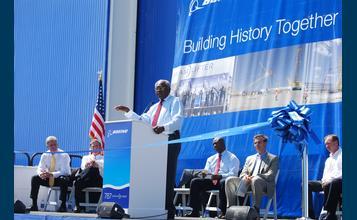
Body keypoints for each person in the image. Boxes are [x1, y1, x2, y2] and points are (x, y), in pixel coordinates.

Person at [115, 79, 183, 219]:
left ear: (169, 89)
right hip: (156, 143)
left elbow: (178, 120)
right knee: (156, 176)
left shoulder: (174, 101)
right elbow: (143, 121)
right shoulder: (153, 107)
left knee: (167, 176)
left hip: (170, 140)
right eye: (157, 88)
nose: (159, 90)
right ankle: (156, 208)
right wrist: (129, 112)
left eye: (162, 88)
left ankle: (169, 210)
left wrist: (164, 127)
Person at [185, 137, 240, 218]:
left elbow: (233, 174)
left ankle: (224, 212)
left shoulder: (232, 158)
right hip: (212, 181)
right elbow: (207, 171)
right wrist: (204, 174)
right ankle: (195, 210)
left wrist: (220, 176)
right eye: (213, 144)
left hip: (224, 181)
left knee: (223, 182)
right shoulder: (211, 159)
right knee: (195, 181)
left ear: (222, 144)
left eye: (216, 143)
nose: (214, 145)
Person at [225, 134, 279, 215]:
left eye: (259, 142)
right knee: (229, 180)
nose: (257, 145)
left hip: (264, 184)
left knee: (256, 180)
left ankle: (255, 209)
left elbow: (271, 175)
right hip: (248, 182)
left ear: (265, 143)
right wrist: (245, 176)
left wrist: (256, 176)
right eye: (255, 143)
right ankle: (231, 209)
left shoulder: (273, 158)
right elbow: (243, 173)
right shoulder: (249, 158)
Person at [29, 136, 71, 212]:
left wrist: (51, 174)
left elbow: (65, 171)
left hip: (59, 179)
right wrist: (41, 174)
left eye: (55, 144)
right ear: (47, 146)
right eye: (51, 145)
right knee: (35, 178)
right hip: (48, 178)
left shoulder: (64, 155)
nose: (53, 146)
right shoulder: (45, 155)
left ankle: (63, 205)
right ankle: (34, 204)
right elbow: (39, 168)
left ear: (57, 145)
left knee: (63, 179)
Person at [308, 134, 342, 220]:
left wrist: (329, 180)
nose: (326, 146)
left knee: (333, 182)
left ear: (336, 143)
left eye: (328, 143)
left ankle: (331, 213)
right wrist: (323, 181)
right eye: (325, 144)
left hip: (339, 183)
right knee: (306, 184)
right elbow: (325, 175)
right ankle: (310, 215)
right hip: (327, 183)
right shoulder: (328, 159)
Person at [73, 139, 104, 213]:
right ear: (90, 148)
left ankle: (78, 177)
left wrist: (96, 164)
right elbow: (83, 167)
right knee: (78, 182)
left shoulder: (104, 158)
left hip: (98, 180)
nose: (95, 148)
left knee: (93, 168)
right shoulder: (85, 157)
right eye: (93, 146)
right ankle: (78, 206)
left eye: (97, 146)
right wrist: (88, 165)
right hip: (87, 180)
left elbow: (104, 168)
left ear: (100, 147)